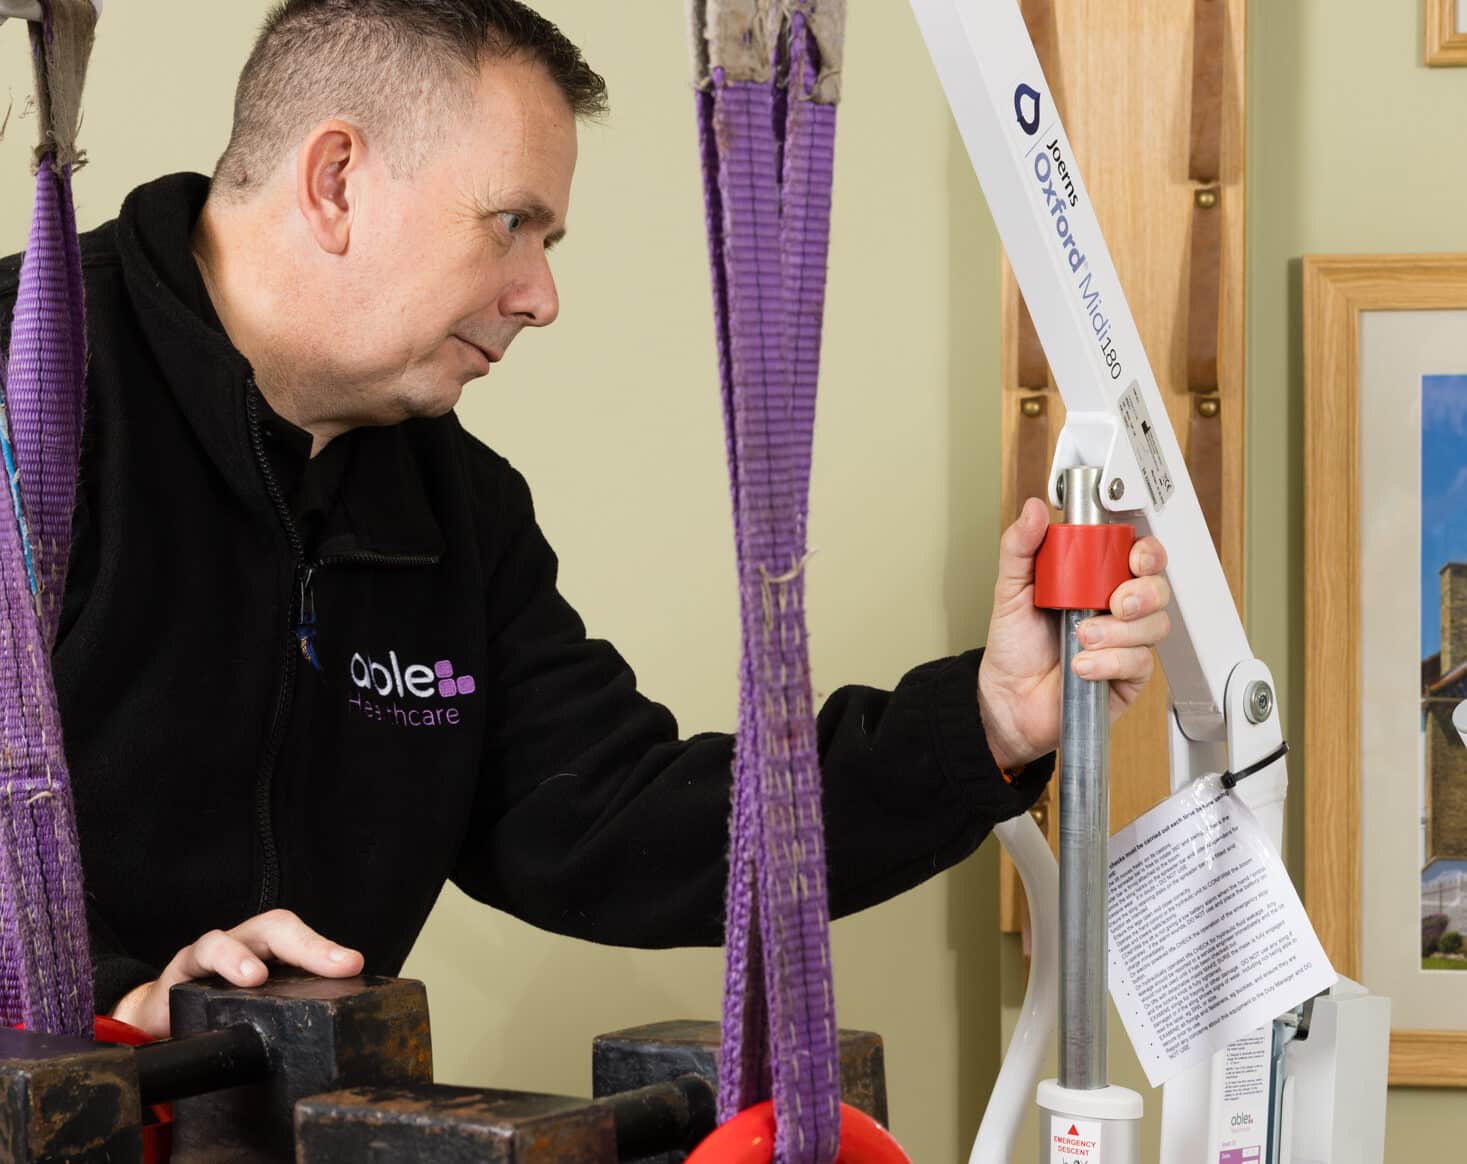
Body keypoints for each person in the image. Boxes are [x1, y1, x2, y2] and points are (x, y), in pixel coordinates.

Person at [0, 0, 1172, 1038]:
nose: (540, 298)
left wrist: (983, 724)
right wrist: (108, 1004)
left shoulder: (453, 508)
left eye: (548, 244)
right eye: (510, 224)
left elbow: (613, 824)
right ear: (337, 180)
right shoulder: (23, 392)